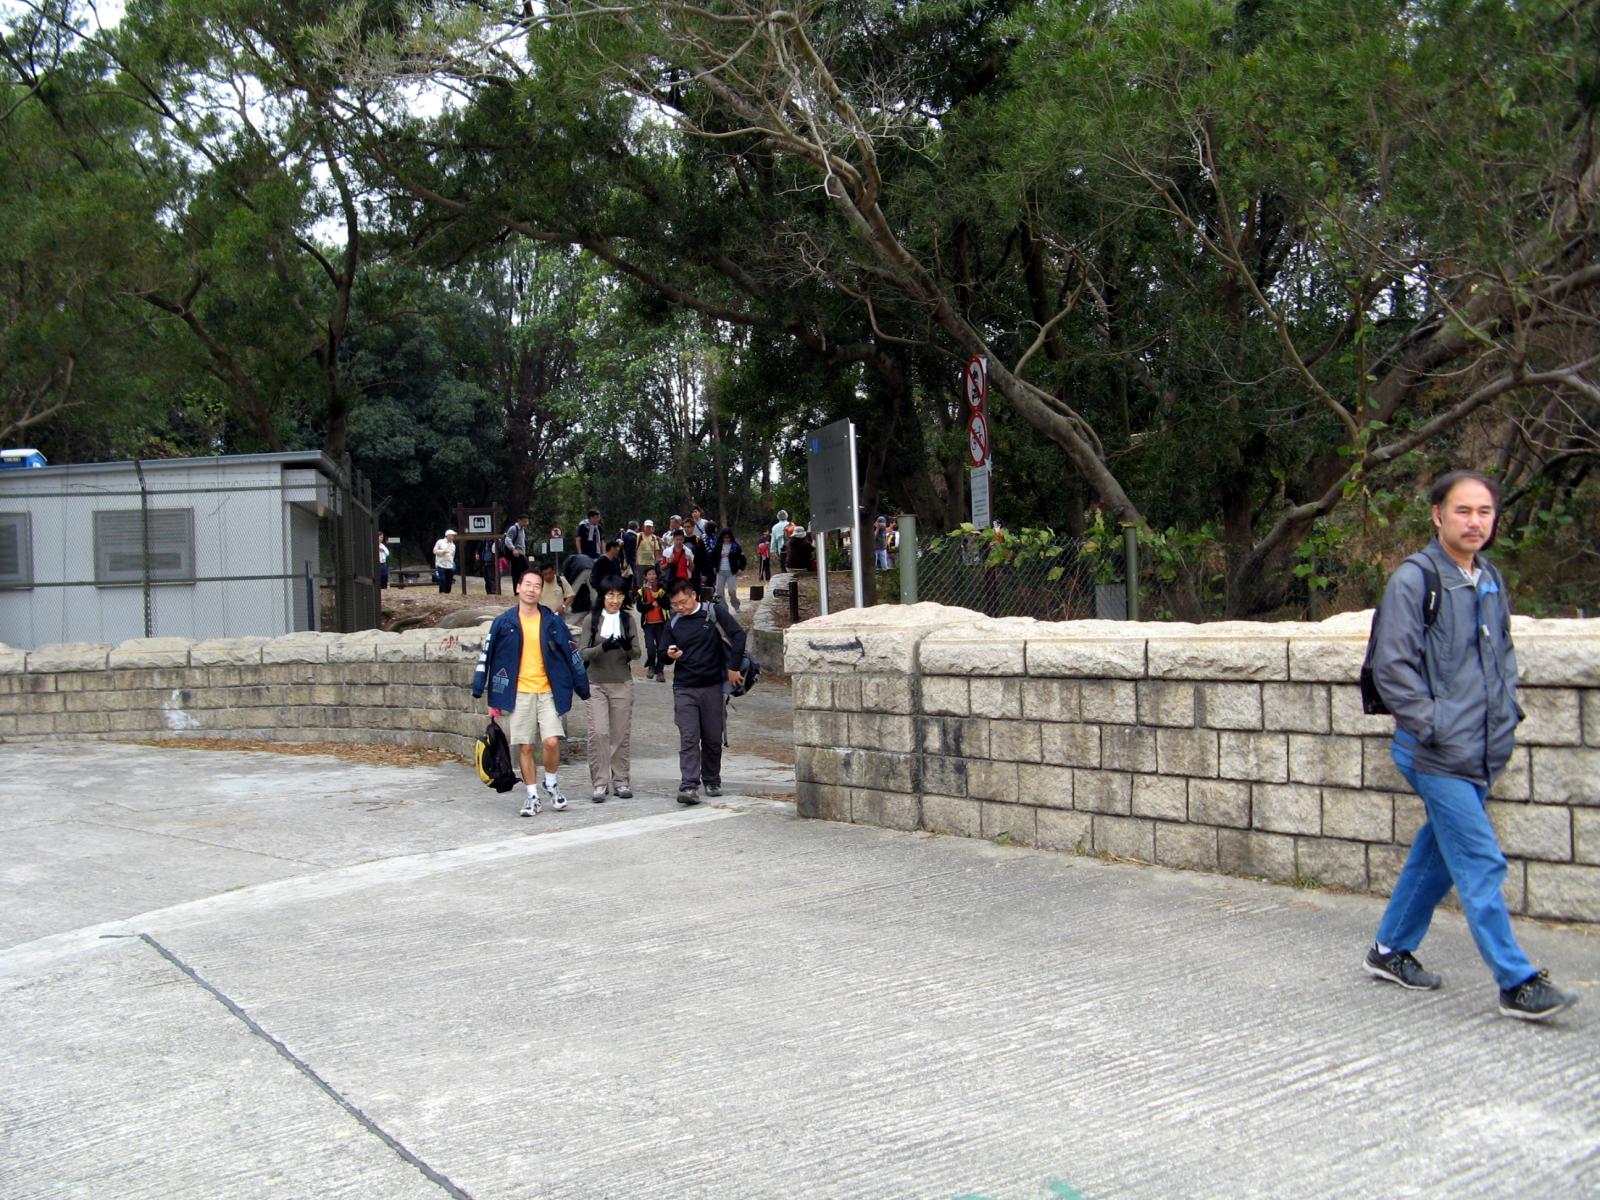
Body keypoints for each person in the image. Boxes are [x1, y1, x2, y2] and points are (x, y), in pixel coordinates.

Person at [1364, 469, 1578, 1022]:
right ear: (1438, 515)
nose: (1475, 521)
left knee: (1439, 852)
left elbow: (1501, 656)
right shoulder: (1415, 580)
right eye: (1463, 510)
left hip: (1481, 748)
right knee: (1479, 859)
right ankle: (1516, 981)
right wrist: (1432, 726)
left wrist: (1507, 717)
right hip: (1434, 751)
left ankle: (1390, 949)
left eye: (1484, 511)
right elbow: (1392, 668)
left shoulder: (1488, 578)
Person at [471, 568, 589, 816]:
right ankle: (532, 795)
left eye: (537, 586)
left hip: (548, 691)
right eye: (527, 584)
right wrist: (482, 688)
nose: (531, 589)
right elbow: (488, 655)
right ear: (518, 587)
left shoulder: (552, 621)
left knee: (552, 740)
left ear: (541, 591)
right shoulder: (504, 622)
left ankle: (551, 783)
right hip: (519, 692)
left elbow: (572, 654)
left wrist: (583, 687)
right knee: (525, 746)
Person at [662, 577, 746, 805]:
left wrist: (733, 667)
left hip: (712, 686)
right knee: (689, 737)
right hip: (684, 688)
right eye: (675, 605)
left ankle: (711, 779)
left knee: (712, 738)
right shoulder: (674, 622)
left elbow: (738, 635)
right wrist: (669, 655)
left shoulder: (713, 612)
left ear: (693, 595)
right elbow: (662, 654)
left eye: (682, 602)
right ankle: (689, 786)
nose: (679, 608)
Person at [580, 580, 640, 802]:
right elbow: (582, 652)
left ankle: (621, 780)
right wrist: (601, 648)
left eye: (619, 595)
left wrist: (626, 646)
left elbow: (637, 653)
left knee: (620, 734)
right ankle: (599, 782)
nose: (615, 600)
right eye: (610, 595)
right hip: (596, 683)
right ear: (603, 596)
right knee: (599, 733)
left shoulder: (627, 620)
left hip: (621, 682)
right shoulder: (592, 619)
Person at [636, 566, 670, 681]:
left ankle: (660, 671)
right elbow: (639, 608)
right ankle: (651, 666)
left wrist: (658, 599)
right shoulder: (642, 591)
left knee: (661, 648)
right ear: (645, 577)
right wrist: (651, 605)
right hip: (648, 624)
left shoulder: (662, 590)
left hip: (661, 624)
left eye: (654, 574)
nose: (652, 576)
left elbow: (667, 605)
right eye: (649, 574)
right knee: (650, 647)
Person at [713, 527, 746, 611]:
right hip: (720, 571)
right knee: (719, 591)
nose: (726, 539)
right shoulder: (718, 546)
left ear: (731, 537)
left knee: (732, 590)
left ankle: (736, 605)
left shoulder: (735, 546)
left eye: (728, 537)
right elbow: (712, 558)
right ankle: (723, 608)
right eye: (724, 537)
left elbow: (742, 558)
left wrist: (740, 568)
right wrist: (714, 566)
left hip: (731, 571)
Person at [503, 515, 530, 588]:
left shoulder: (522, 529)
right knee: (516, 573)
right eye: (524, 521)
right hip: (516, 553)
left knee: (526, 571)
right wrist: (513, 549)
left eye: (527, 521)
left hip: (522, 553)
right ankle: (517, 590)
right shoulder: (513, 528)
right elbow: (507, 540)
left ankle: (523, 588)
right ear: (519, 520)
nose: (526, 523)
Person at [432, 529, 457, 593]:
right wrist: (443, 551)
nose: (453, 537)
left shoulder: (453, 545)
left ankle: (447, 593)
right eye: (452, 535)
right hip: (441, 564)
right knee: (442, 579)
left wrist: (452, 563)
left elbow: (453, 555)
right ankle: (442, 592)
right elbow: (434, 551)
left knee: (449, 580)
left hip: (449, 565)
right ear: (448, 535)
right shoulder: (440, 542)